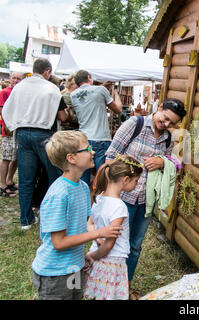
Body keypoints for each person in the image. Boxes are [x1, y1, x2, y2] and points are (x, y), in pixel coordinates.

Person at [105, 98, 186, 299]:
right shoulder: (135, 124)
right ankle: (106, 286)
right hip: (122, 198)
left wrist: (161, 161)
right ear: (159, 108)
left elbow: (171, 162)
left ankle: (125, 286)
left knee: (134, 246)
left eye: (172, 123)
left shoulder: (168, 138)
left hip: (145, 201)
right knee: (114, 244)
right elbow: (110, 157)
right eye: (165, 118)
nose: (166, 125)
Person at [31, 130, 123, 300]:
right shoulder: (59, 195)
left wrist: (81, 258)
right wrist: (99, 233)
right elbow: (58, 243)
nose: (93, 151)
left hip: (75, 267)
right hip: (56, 275)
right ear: (71, 158)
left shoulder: (81, 187)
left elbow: (81, 227)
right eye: (87, 149)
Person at [2, 58, 69, 230]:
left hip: (23, 133)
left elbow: (7, 110)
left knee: (25, 179)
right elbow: (63, 117)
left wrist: (13, 125)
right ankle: (53, 217)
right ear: (47, 72)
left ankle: (26, 220)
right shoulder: (52, 88)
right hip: (44, 134)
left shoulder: (20, 86)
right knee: (54, 175)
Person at [83, 154, 143, 300]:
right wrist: (92, 256)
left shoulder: (100, 197)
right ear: (126, 179)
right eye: (136, 181)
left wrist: (97, 240)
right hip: (111, 262)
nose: (137, 185)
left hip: (98, 258)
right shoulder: (120, 208)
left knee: (98, 295)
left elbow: (90, 224)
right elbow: (109, 245)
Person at [71, 70, 122, 185]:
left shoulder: (73, 95)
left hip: (83, 139)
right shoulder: (100, 90)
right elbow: (118, 110)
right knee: (103, 176)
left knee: (83, 176)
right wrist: (116, 94)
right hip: (101, 139)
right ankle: (101, 200)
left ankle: (83, 200)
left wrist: (102, 87)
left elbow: (88, 95)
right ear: (89, 78)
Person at [0, 72, 23, 197]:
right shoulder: (4, 92)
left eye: (18, 78)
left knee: (16, 158)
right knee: (7, 158)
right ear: (10, 79)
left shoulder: (21, 93)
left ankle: (9, 181)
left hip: (19, 130)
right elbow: (3, 111)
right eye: (14, 78)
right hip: (9, 130)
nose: (16, 80)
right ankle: (3, 185)